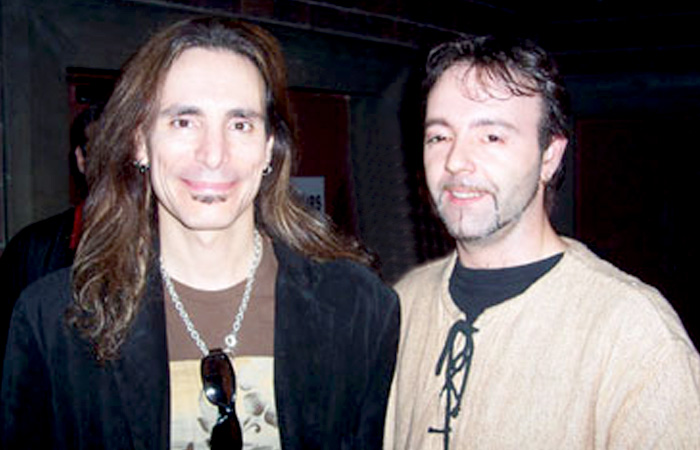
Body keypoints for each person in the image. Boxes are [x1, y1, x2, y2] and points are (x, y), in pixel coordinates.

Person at [1, 17, 399, 450]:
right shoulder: (54, 324)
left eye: (240, 124)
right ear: (140, 142)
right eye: (184, 122)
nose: (213, 155)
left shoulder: (358, 309)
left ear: (269, 148)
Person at [384, 35, 700, 449]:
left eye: (491, 137)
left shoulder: (633, 335)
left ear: (549, 156)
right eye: (439, 137)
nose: (456, 161)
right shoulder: (401, 305)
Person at [0, 103, 101, 376]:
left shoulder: (169, 246)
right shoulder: (30, 250)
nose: (110, 164)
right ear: (81, 159)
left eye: (119, 152)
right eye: (99, 151)